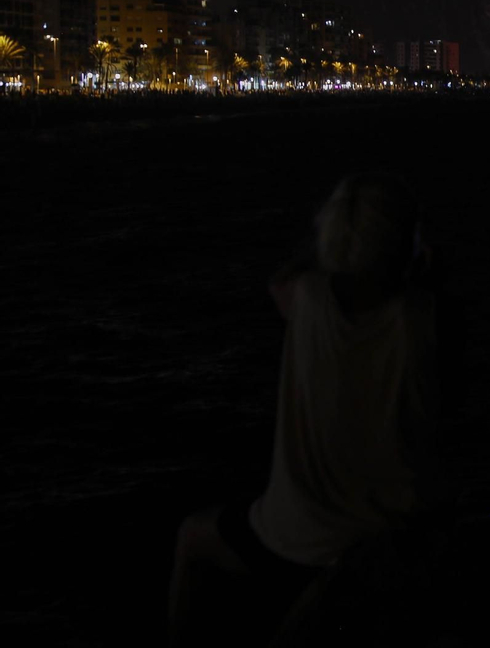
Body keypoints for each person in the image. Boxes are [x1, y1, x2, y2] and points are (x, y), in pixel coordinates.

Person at [168, 173, 443, 646]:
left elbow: (280, 280)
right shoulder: (421, 324)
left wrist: (328, 237)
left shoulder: (310, 302)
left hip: (291, 540)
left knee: (193, 539)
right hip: (381, 545)